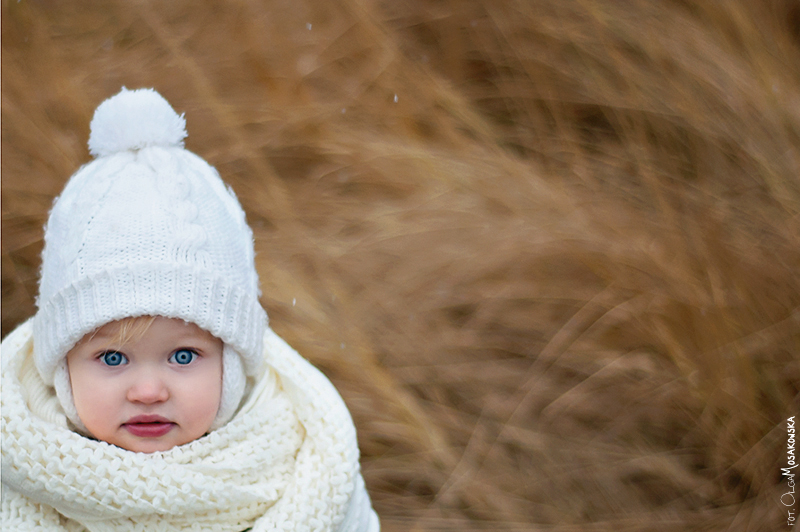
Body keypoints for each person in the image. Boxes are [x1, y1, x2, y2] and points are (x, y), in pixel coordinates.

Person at [1, 88, 380, 532]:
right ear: (61, 369)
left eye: (183, 356)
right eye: (112, 358)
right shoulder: (21, 464)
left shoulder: (304, 466)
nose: (147, 391)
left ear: (232, 361)